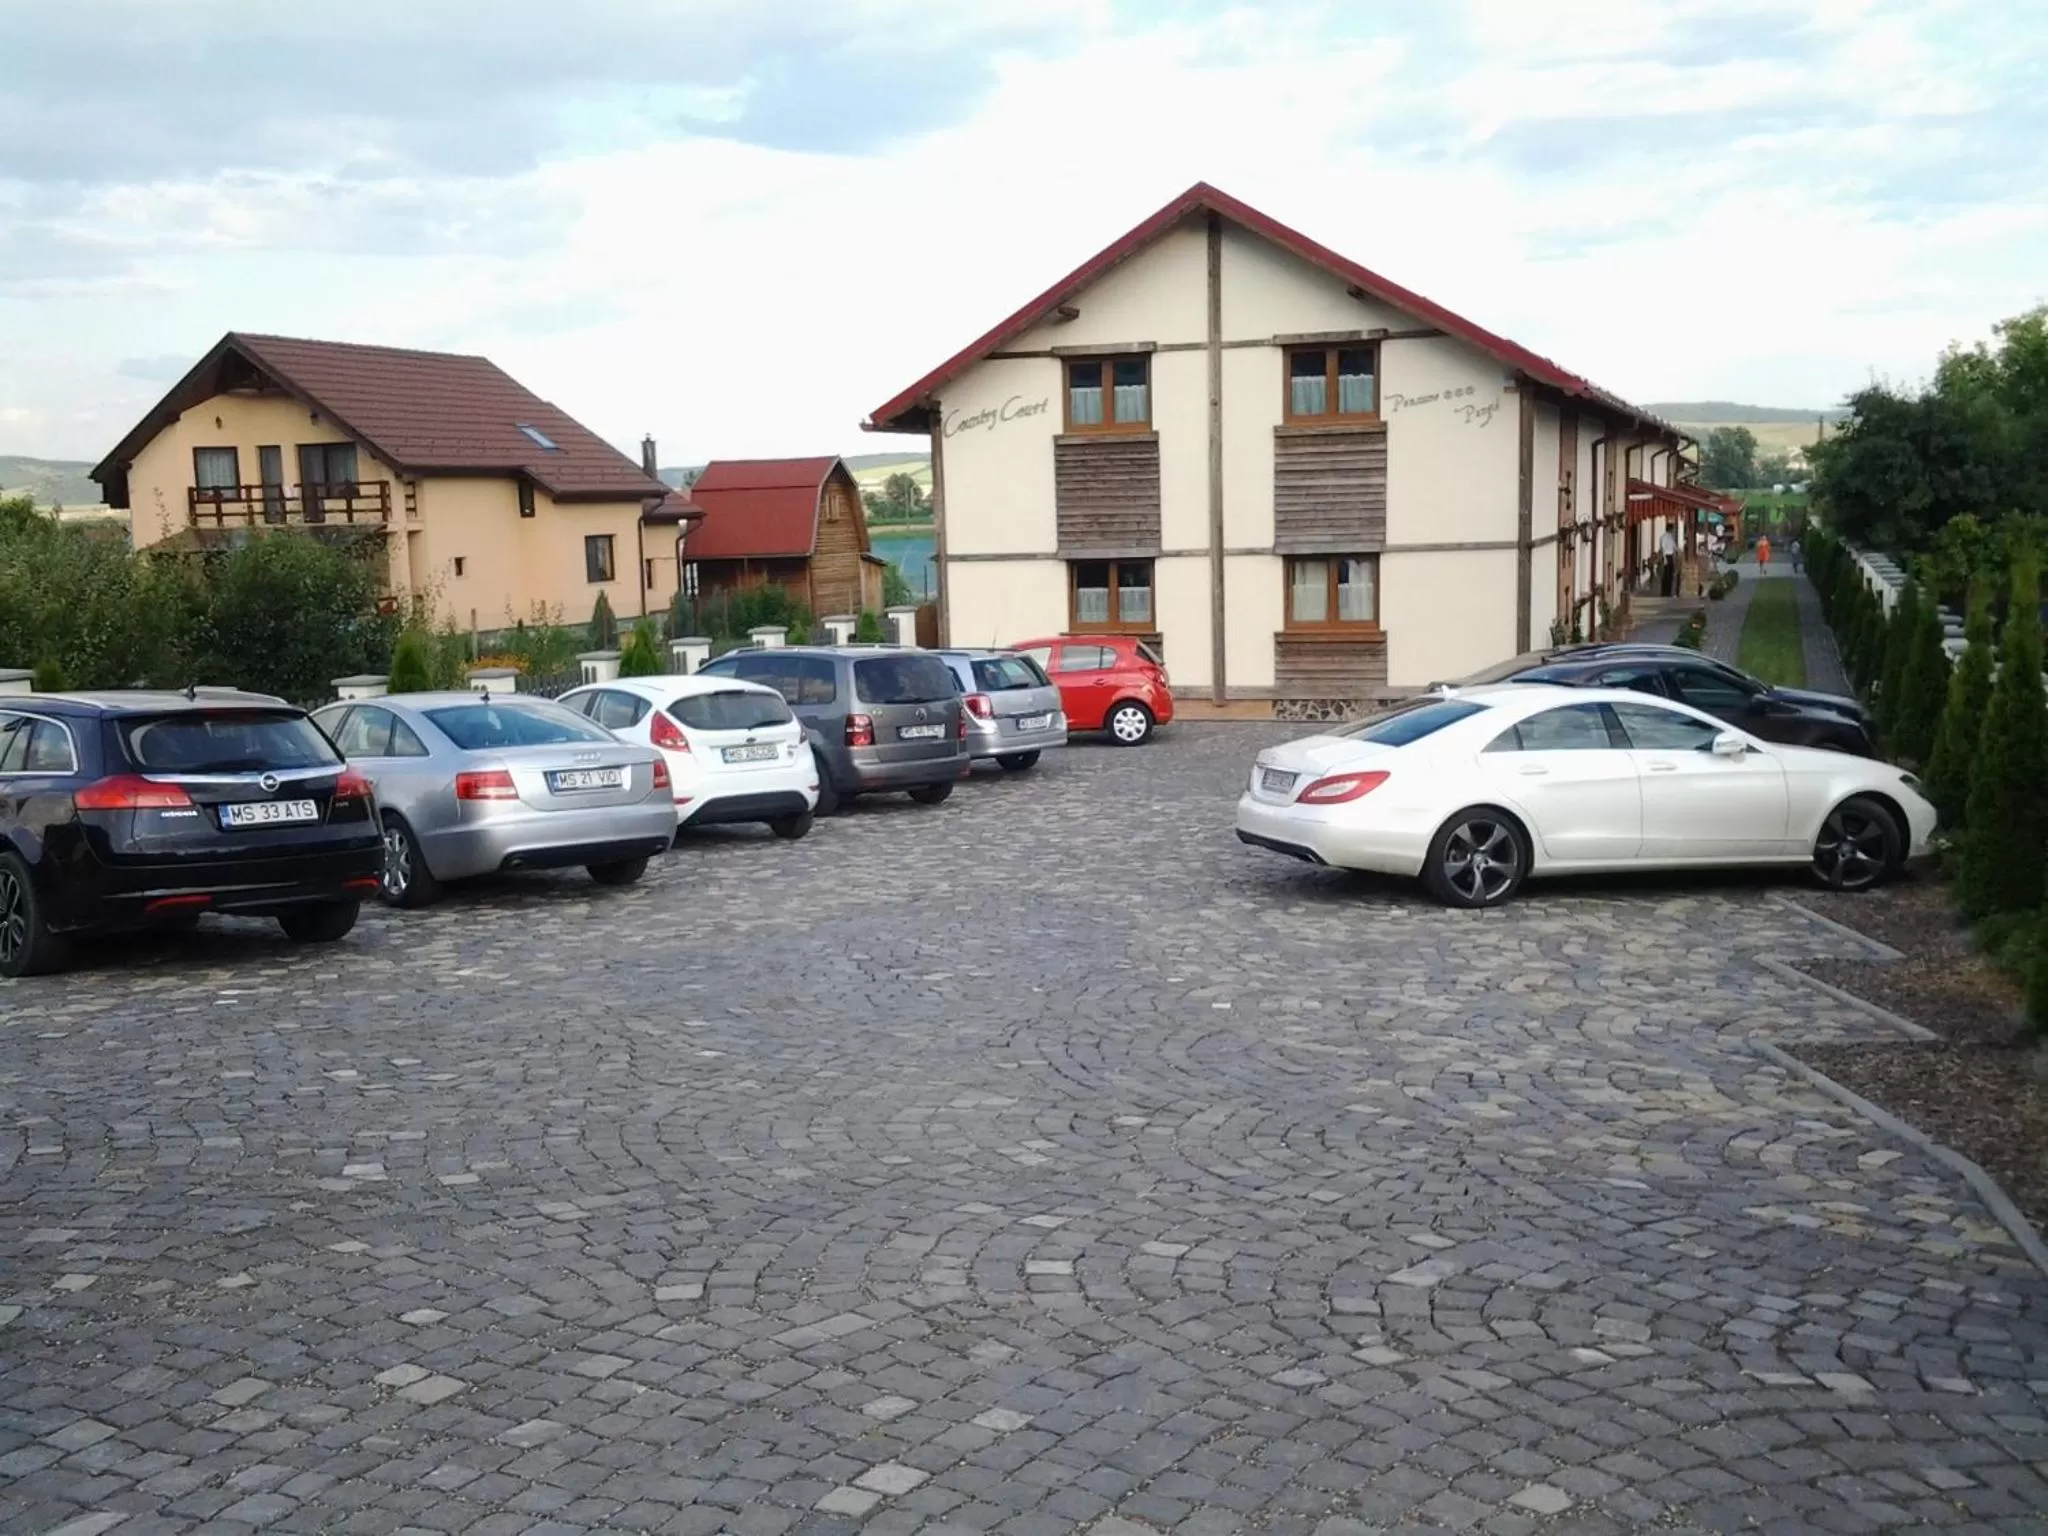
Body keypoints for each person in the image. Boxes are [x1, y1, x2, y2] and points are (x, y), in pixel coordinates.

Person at [1659, 525, 1679, 596]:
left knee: (1670, 575)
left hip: (1671, 556)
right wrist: (1664, 559)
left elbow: (1675, 546)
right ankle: (1664, 592)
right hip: (1666, 556)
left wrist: (1677, 551)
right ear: (1670, 529)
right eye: (1672, 529)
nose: (1673, 531)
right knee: (1665, 575)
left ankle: (1669, 592)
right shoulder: (1664, 537)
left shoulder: (1671, 537)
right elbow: (1663, 548)